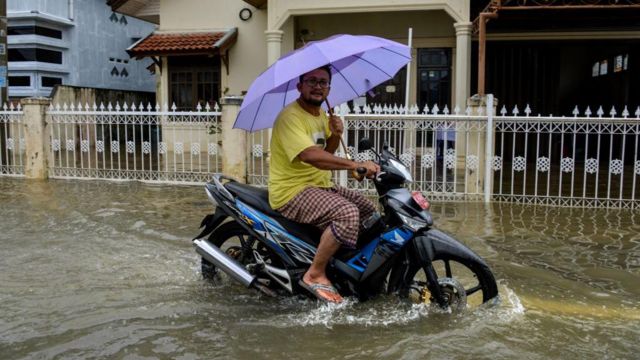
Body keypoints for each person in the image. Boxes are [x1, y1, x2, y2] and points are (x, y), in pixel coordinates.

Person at [268, 66, 379, 303]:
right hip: (292, 190)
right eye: (312, 81)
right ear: (300, 87)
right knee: (347, 213)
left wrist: (335, 136)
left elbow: (325, 154)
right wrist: (354, 165)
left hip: (319, 185)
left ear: (329, 88)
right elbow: (310, 156)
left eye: (323, 82)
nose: (318, 86)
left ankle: (342, 263)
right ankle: (315, 273)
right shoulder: (290, 117)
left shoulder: (322, 116)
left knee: (369, 210)